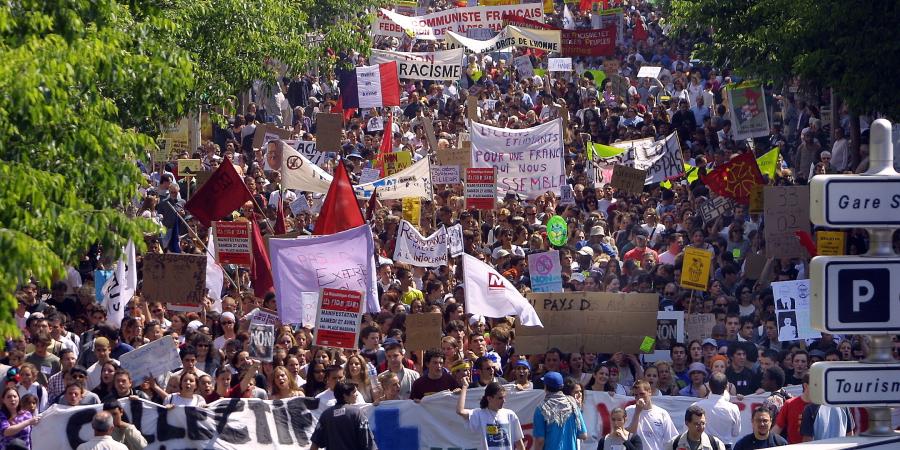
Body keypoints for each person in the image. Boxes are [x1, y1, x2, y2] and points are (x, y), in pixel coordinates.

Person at [456, 379, 526, 450]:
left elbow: (520, 445)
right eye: (500, 398)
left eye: (504, 397)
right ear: (489, 398)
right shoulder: (479, 414)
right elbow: (460, 411)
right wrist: (464, 387)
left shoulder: (510, 415)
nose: (504, 401)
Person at [309, 381, 376, 450]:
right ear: (345, 395)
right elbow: (368, 443)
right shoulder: (357, 413)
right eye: (354, 392)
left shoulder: (325, 415)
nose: (357, 395)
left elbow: (315, 444)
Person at [532, 371, 586, 450]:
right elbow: (583, 435)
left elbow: (540, 440)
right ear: (562, 386)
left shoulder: (541, 409)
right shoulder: (573, 405)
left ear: (545, 387)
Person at [626, 380, 678, 450]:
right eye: (636, 395)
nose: (639, 398)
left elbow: (671, 439)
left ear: (649, 392)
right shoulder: (629, 410)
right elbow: (627, 436)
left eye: (642, 394)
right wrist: (637, 412)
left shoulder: (662, 413)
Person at [691, 372, 741, 446]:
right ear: (726, 387)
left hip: (704, 446)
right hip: (724, 446)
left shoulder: (697, 406)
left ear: (709, 386)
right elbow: (735, 433)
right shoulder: (733, 408)